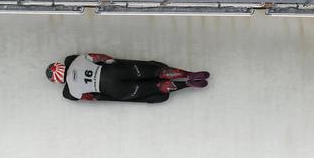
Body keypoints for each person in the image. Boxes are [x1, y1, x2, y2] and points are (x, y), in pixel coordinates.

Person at [46, 53, 209, 103]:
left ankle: (187, 85)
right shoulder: (76, 60)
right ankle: (189, 74)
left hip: (115, 90)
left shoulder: (71, 92)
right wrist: (112, 62)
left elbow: (91, 97)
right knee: (157, 72)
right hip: (116, 71)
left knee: (155, 87)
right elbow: (101, 57)